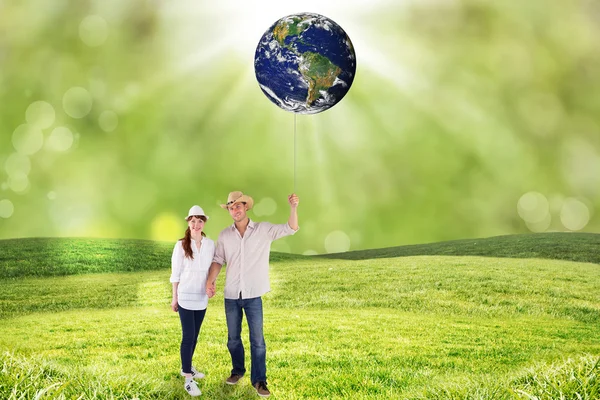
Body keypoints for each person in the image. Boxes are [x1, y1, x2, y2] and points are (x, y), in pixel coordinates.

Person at [206, 191, 299, 398]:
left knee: (258, 341)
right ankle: (237, 371)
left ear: (246, 207)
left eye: (239, 206)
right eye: (231, 207)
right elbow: (218, 260)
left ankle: (259, 381)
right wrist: (210, 281)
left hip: (253, 295)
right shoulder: (224, 235)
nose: (235, 210)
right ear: (229, 211)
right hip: (231, 294)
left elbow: (291, 228)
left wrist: (293, 208)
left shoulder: (263, 230)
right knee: (233, 339)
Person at [170, 205, 215, 397]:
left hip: (201, 297)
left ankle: (186, 366)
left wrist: (210, 285)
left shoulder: (210, 244)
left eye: (199, 221)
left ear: (204, 223)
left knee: (195, 336)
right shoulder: (180, 245)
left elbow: (212, 268)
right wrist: (175, 297)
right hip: (185, 296)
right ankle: (188, 378)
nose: (196, 225)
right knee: (188, 337)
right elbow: (175, 273)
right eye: (193, 221)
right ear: (188, 222)